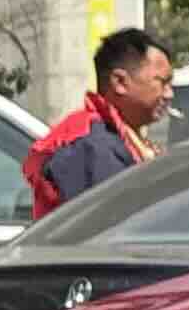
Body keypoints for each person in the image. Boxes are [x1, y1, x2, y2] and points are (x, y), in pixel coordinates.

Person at [28, 28, 173, 218]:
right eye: (162, 82)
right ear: (119, 82)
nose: (169, 94)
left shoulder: (123, 139)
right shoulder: (89, 145)